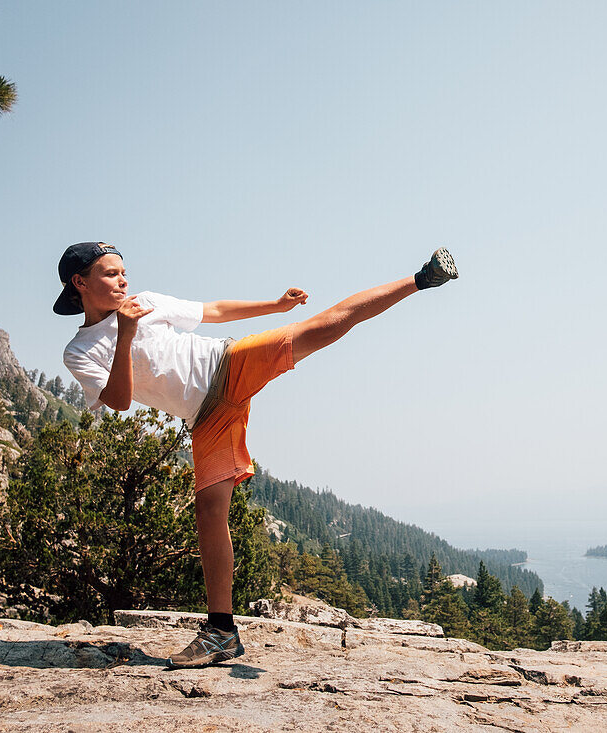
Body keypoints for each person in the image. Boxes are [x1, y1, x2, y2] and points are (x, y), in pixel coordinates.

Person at [54, 242, 458, 668]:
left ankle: (419, 279)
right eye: (110, 273)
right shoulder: (80, 351)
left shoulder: (147, 303)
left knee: (321, 328)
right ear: (80, 283)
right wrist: (127, 334)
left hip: (228, 364)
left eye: (123, 271)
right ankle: (222, 633)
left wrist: (276, 306)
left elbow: (214, 311)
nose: (123, 280)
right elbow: (118, 401)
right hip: (206, 415)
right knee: (210, 512)